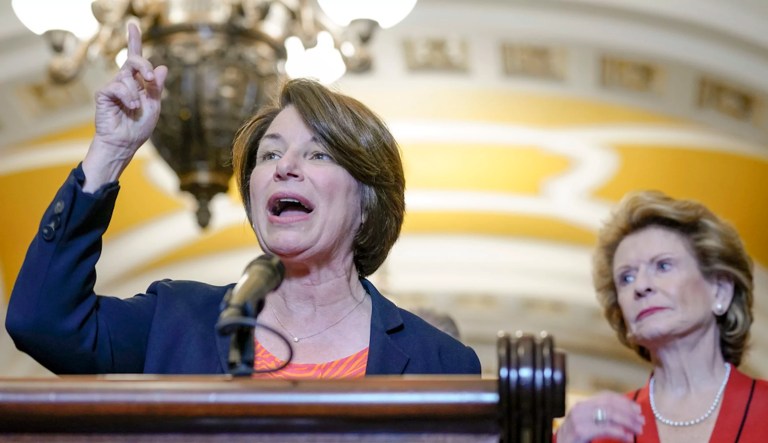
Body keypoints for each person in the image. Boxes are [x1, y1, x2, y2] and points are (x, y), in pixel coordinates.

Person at [5, 23, 480, 378]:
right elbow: (39, 322)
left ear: (367, 202)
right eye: (271, 153)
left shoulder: (440, 361)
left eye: (317, 154)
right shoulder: (177, 319)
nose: (283, 166)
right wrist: (111, 152)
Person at [555, 190, 767, 442]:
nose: (641, 286)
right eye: (626, 277)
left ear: (719, 290)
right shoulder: (596, 431)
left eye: (663, 266)